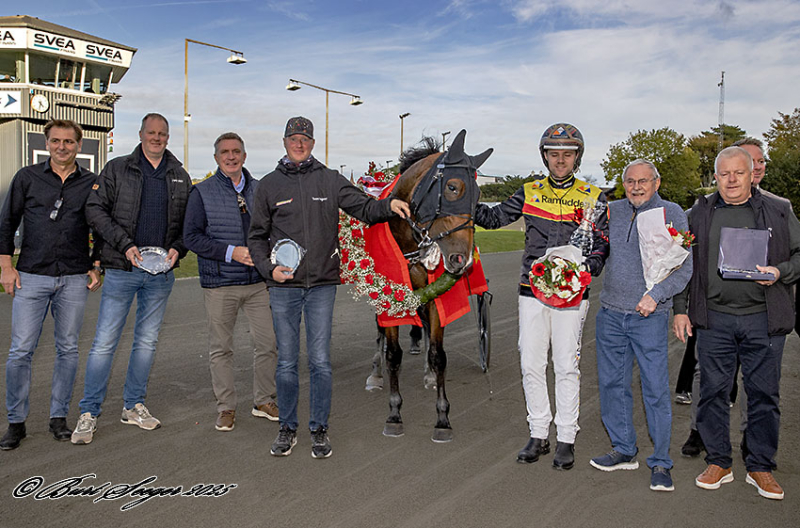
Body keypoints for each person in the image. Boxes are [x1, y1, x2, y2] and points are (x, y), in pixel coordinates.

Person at [248, 116, 409, 459]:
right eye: (294, 138)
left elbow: (365, 208)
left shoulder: (330, 179)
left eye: (305, 138)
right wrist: (268, 269)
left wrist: (389, 205)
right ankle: (287, 428)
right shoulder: (268, 185)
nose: (299, 143)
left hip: (321, 285)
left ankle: (319, 429)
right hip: (284, 287)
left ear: (313, 143)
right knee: (286, 363)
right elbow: (257, 237)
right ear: (285, 141)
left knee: (320, 361)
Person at [474, 123, 608, 469]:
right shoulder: (529, 191)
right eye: (554, 154)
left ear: (577, 157)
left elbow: (601, 244)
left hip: (572, 295)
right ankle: (538, 434)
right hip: (530, 291)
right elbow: (491, 219)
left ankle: (566, 437)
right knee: (531, 363)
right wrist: (467, 192)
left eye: (567, 154)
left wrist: (587, 268)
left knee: (565, 365)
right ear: (545, 156)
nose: (560, 160)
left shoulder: (594, 196)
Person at [673, 146, 800, 501]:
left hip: (764, 320)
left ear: (751, 174)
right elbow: (681, 262)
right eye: (724, 173)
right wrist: (680, 309)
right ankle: (718, 462)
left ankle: (760, 466)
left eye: (738, 173)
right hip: (714, 320)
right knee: (712, 392)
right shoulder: (698, 213)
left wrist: (779, 272)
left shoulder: (779, 209)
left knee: (763, 395)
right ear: (715, 176)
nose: (731, 180)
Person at [70, 113, 192, 445]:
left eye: (162, 133)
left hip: (160, 275)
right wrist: (124, 244)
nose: (156, 137)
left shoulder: (179, 175)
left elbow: (189, 224)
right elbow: (94, 210)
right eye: (151, 132)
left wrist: (178, 249)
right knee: (104, 342)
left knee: (147, 342)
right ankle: (89, 412)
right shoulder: (117, 168)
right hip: (123, 270)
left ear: (168, 137)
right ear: (140, 134)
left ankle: (133, 405)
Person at [589, 160, 692, 491]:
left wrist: (656, 296)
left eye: (643, 181)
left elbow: (684, 268)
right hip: (610, 313)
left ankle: (661, 461)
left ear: (656, 183)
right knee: (611, 384)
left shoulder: (672, 213)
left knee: (655, 390)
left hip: (649, 316)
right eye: (630, 181)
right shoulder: (613, 211)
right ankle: (623, 449)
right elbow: (594, 246)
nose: (636, 187)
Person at [0, 120, 101, 450]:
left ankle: (59, 418)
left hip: (73, 277)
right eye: (56, 141)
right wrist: (6, 267)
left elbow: (100, 226)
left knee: (68, 349)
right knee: (20, 351)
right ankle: (16, 422)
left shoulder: (91, 183)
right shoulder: (27, 177)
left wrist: (96, 264)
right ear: (47, 144)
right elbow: (6, 222)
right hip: (31, 275)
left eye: (69, 142)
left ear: (79, 145)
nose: (62, 147)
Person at [184, 132, 278, 432]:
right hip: (221, 283)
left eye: (236, 151)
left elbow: (274, 230)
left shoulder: (261, 190)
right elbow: (191, 237)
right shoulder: (202, 192)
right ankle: (226, 406)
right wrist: (230, 252)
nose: (231, 156)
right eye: (224, 152)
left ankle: (264, 400)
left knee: (268, 343)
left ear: (244, 156)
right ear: (216, 158)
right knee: (221, 349)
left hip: (258, 283)